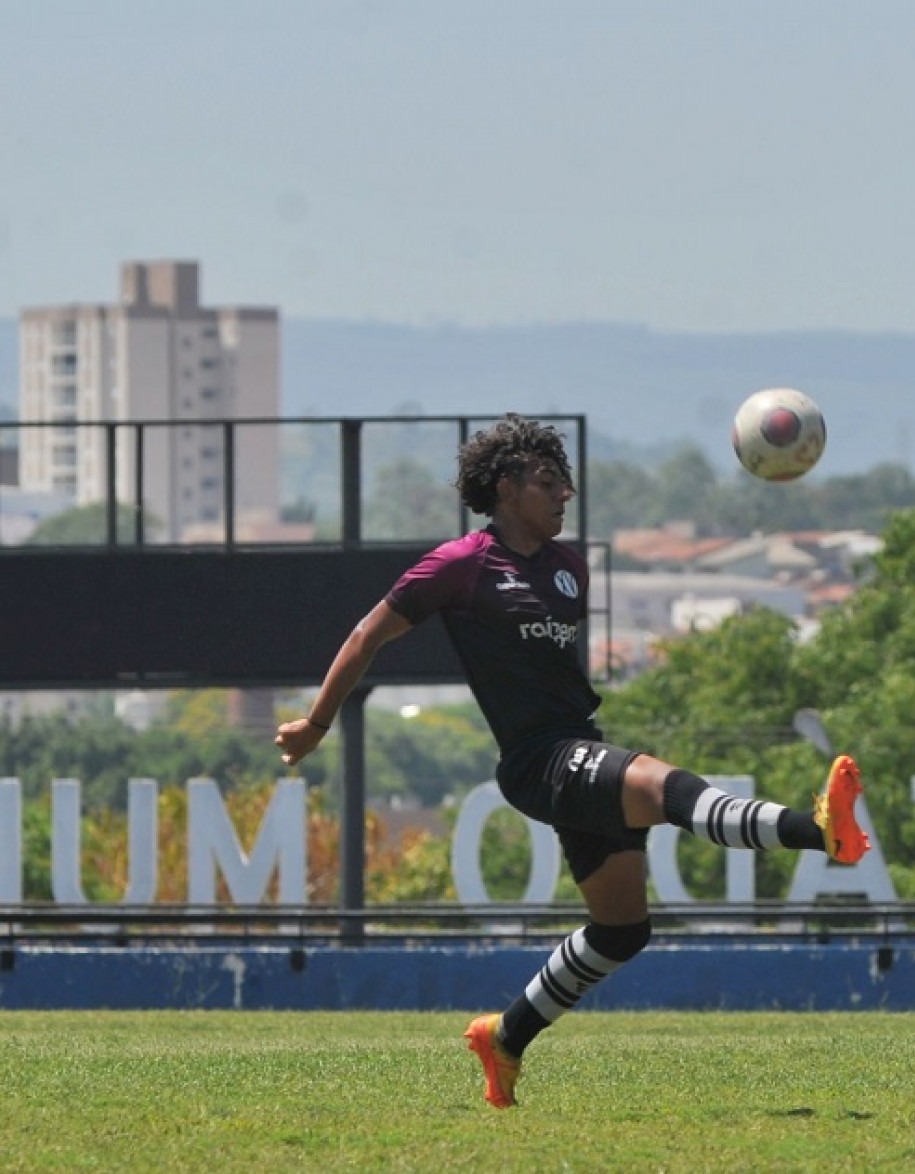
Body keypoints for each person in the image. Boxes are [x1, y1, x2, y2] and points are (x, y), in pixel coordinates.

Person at [275, 413, 869, 1109]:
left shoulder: (566, 568)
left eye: (566, 483)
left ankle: (504, 1038)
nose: (565, 494)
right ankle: (817, 828)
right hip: (538, 760)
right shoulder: (461, 564)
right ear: (506, 488)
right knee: (665, 785)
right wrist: (318, 722)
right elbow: (367, 634)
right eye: (549, 482)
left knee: (622, 930)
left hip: (576, 745)